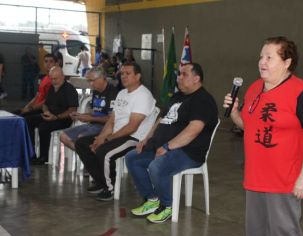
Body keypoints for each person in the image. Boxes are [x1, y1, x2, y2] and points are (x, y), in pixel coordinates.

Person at [223, 36, 303, 236]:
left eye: (269, 57)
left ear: (287, 62)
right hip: (254, 177)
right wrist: (234, 112)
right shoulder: (254, 88)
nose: (262, 62)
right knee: (255, 231)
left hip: (283, 180)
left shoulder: (301, 92)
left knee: (283, 231)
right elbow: (247, 126)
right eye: (261, 57)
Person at [125, 62, 218, 223]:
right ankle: (152, 199)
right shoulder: (177, 96)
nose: (179, 78)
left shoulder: (203, 100)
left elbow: (194, 130)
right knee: (133, 157)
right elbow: (161, 119)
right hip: (162, 146)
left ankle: (167, 206)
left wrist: (168, 146)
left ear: (196, 78)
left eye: (184, 75)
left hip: (188, 152)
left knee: (157, 166)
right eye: (179, 74)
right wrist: (146, 139)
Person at [74, 62, 156, 201]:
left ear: (138, 76)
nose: (123, 76)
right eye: (122, 73)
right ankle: (100, 182)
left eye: (128, 73)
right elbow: (112, 120)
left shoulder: (143, 95)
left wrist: (107, 139)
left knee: (103, 152)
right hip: (118, 134)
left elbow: (132, 126)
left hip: (134, 138)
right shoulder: (122, 93)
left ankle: (109, 188)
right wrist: (101, 137)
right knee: (82, 143)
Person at [26, 66, 79, 165]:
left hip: (63, 119)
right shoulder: (51, 87)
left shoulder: (69, 89)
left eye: (56, 78)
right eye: (52, 78)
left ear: (63, 77)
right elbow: (46, 103)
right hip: (50, 115)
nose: (53, 81)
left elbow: (72, 110)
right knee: (27, 120)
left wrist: (56, 117)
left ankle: (43, 157)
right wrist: (46, 111)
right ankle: (30, 153)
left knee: (43, 127)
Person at [60, 67, 118, 150]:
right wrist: (80, 115)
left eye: (92, 80)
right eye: (89, 81)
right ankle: (85, 154)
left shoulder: (112, 93)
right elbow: (96, 112)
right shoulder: (96, 91)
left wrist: (90, 118)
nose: (90, 84)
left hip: (106, 127)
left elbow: (111, 119)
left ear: (102, 78)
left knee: (81, 138)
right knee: (63, 136)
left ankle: (87, 155)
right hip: (93, 124)